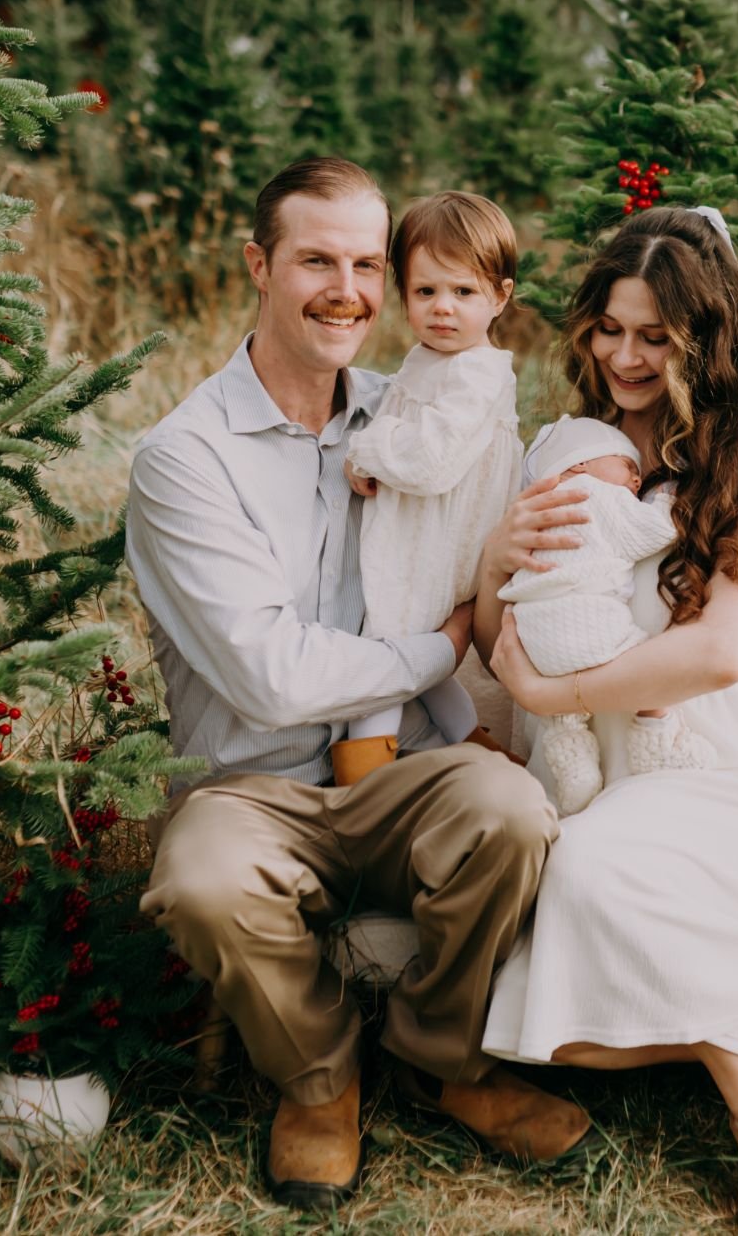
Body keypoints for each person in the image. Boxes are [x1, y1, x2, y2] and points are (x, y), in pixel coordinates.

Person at [125, 158, 589, 1212]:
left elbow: (491, 518)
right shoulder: (185, 459)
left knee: (511, 810)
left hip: (402, 768)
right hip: (254, 786)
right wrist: (438, 648)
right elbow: (271, 674)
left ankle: (440, 1058)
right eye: (316, 262)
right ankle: (318, 1078)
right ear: (259, 265)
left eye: (367, 265)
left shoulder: (409, 411)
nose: (347, 291)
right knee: (202, 882)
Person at [474, 206, 738, 1236]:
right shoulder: (565, 451)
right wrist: (496, 558)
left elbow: (720, 649)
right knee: (548, 991)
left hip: (726, 774)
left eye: (654, 337)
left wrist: (552, 696)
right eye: (608, 329)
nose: (623, 357)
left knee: (590, 877)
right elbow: (506, 634)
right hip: (601, 777)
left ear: (705, 342)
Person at [337, 191, 524, 785]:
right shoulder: (431, 357)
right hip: (421, 535)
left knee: (385, 659)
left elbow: (431, 462)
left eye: (463, 292)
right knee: (425, 662)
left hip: (439, 547)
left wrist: (365, 449)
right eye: (425, 292)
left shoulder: (477, 373)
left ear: (500, 296)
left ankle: (361, 787)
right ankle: (482, 748)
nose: (442, 308)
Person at [496, 415, 714, 813]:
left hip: (533, 637)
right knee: (651, 663)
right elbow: (654, 531)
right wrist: (667, 498)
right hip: (588, 622)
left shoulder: (534, 510)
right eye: (627, 466)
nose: (636, 479)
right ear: (581, 464)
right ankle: (658, 739)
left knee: (562, 715)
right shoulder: (594, 494)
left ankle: (574, 766)